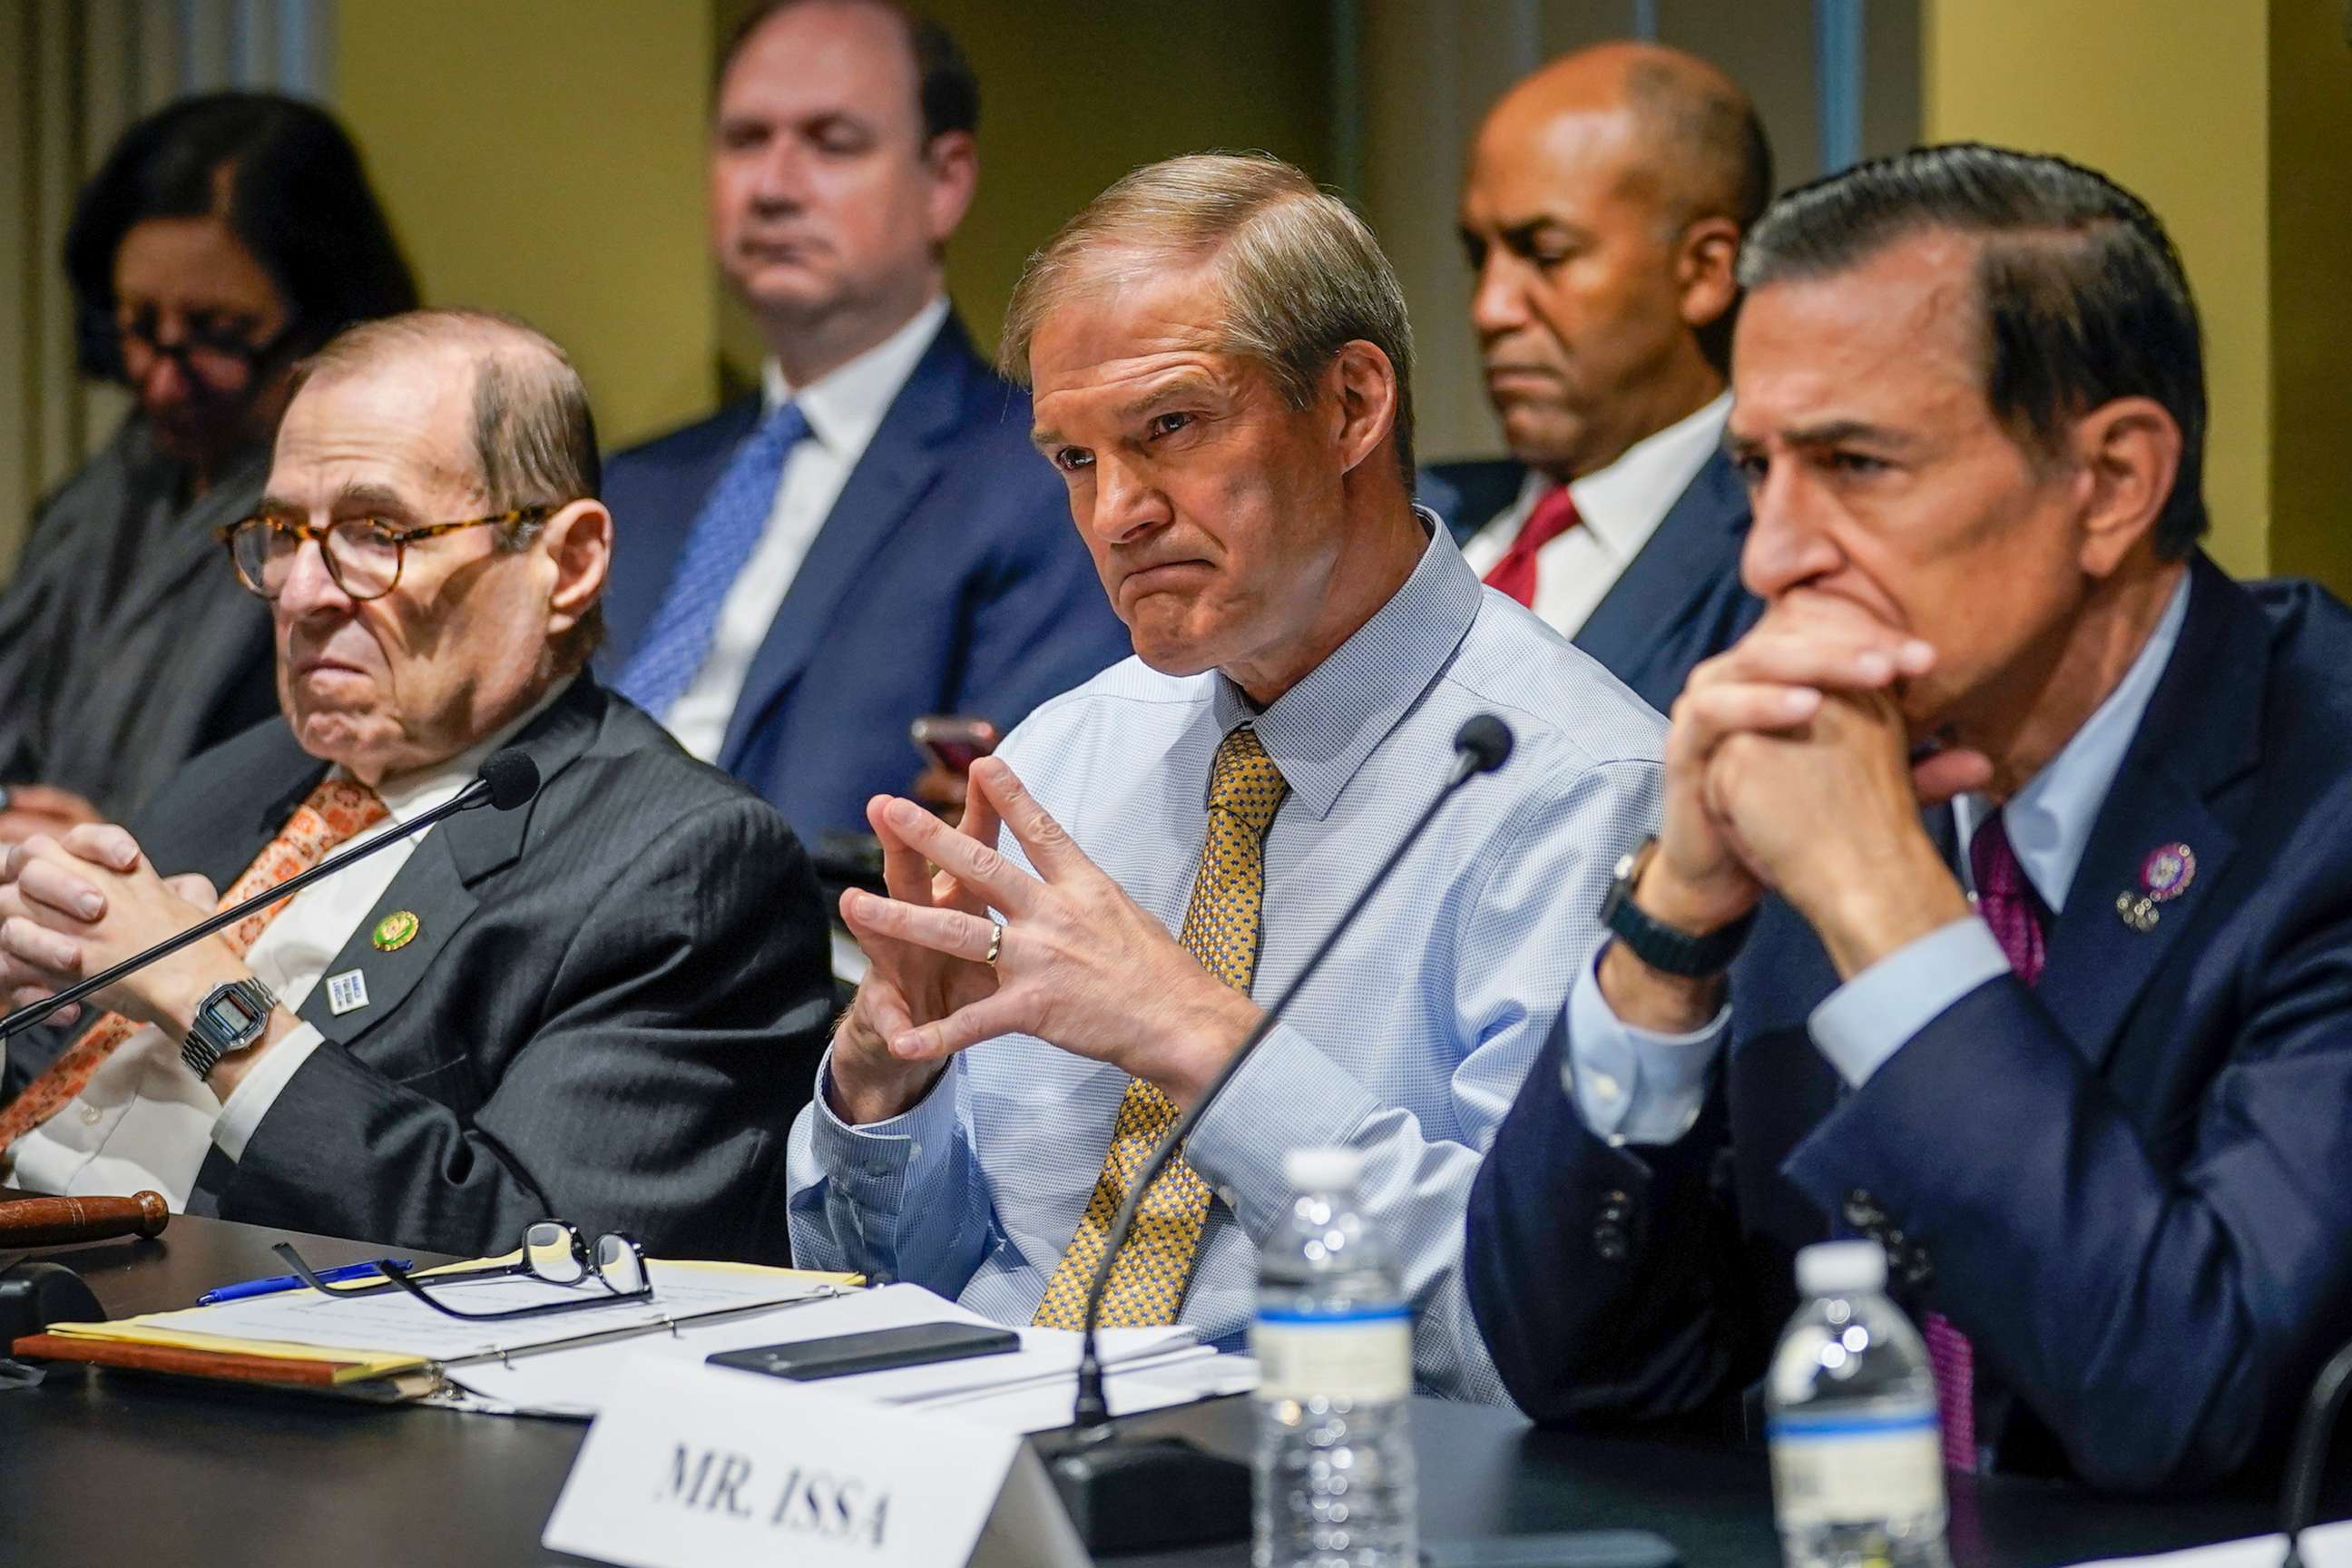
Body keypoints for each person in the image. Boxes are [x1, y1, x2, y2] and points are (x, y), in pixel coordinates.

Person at [1463, 144, 2352, 1491]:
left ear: (2112, 481)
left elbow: (2197, 1401)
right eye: (1759, 469)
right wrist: (1672, 934)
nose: (1773, 556)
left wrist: (1888, 907)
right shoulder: (1828, 757)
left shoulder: (2323, 797)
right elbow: (1577, 1373)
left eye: (1857, 464)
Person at [786, 153, 1663, 1401]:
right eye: (1076, 461)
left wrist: (1194, 1035)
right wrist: (886, 1082)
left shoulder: (1584, 788)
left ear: (1354, 405)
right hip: (980, 1459)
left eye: (1171, 429)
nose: (1116, 515)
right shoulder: (1059, 760)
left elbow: (1533, 1330)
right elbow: (881, 1289)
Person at [0, 310, 834, 1262]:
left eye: (375, 530)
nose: (304, 592)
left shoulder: (680, 865)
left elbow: (549, 1262)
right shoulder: (233, 777)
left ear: (567, 563)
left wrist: (209, 1003)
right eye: (282, 531)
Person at [600, 0, 1127, 844]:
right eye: (744, 140)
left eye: (832, 142)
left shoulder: (1045, 472)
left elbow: (1019, 841)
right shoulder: (631, 487)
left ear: (944, 181)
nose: (772, 187)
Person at [0, 93, 417, 842]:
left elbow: (367, 826)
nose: (160, 382)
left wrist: (127, 860)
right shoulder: (95, 504)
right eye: (138, 326)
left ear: (326, 317)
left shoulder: (379, 538)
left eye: (216, 335)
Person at [1426, 42, 1771, 713]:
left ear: (1703, 270)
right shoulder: (1404, 515)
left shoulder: (1784, 556)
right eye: (1478, 256)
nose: (1490, 308)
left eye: (1547, 254)